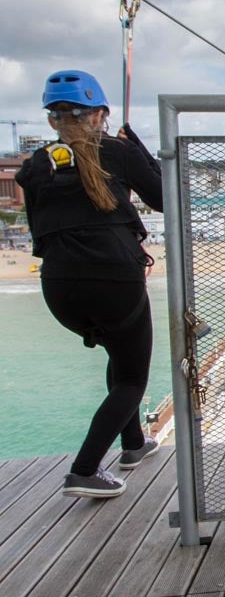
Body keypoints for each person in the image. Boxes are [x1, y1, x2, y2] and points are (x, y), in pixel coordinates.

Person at [16, 70, 164, 499]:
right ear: (100, 115)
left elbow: (40, 228)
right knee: (132, 377)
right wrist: (138, 150)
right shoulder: (115, 152)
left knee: (118, 357)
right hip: (113, 278)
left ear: (52, 122)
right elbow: (163, 197)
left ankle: (134, 444)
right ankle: (83, 469)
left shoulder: (35, 165)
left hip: (59, 287)